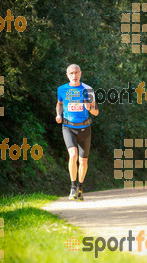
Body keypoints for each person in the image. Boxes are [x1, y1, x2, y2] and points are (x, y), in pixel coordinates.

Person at [55, 64, 99, 201]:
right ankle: (73, 187)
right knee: (73, 156)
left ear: (81, 73)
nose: (74, 75)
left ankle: (80, 187)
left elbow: (96, 112)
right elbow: (60, 103)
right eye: (71, 73)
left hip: (85, 128)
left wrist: (89, 108)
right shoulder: (61, 89)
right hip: (68, 127)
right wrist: (58, 114)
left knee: (83, 161)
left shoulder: (88, 90)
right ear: (67, 75)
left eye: (76, 72)